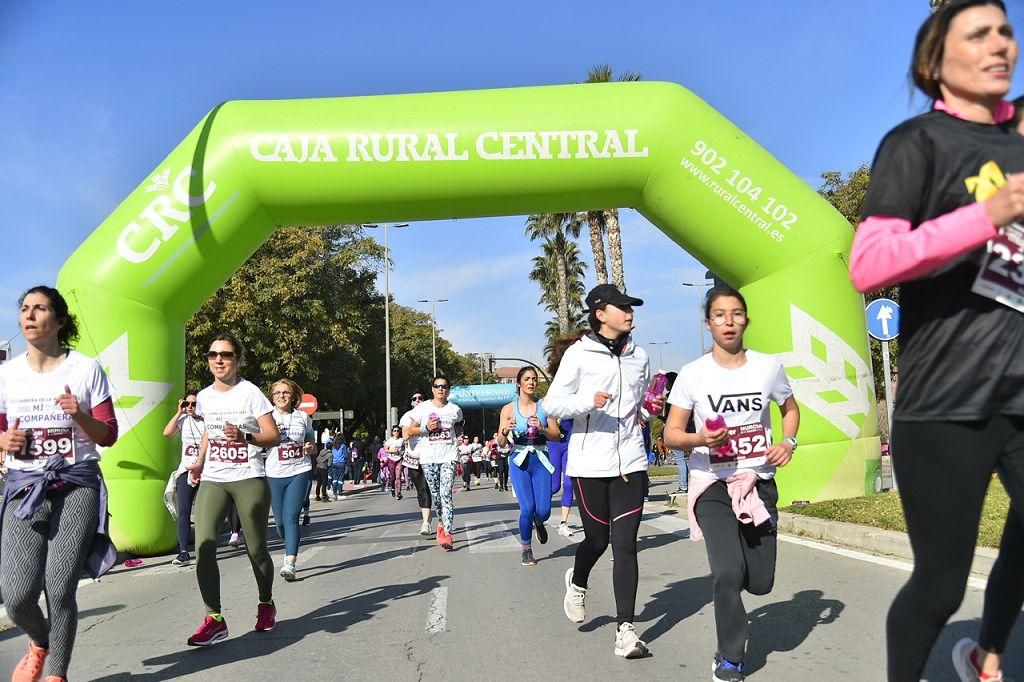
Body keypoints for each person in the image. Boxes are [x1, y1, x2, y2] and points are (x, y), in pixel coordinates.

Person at [848, 3, 1023, 680]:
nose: (1000, 44)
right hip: (945, 401)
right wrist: (987, 214)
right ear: (935, 63)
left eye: (1005, 31)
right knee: (942, 586)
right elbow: (871, 264)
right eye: (978, 34)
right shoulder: (917, 143)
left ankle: (989, 651)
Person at [663, 286, 800, 682]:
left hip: (757, 481)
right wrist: (700, 439)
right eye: (719, 315)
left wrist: (787, 442)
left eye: (736, 313)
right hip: (712, 483)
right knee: (726, 571)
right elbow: (672, 434)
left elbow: (790, 410)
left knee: (760, 581)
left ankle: (738, 596)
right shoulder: (692, 374)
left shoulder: (768, 368)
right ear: (708, 324)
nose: (728, 321)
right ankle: (730, 657)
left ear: (746, 320)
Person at [0, 285, 119, 682]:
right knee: (16, 596)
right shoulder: (7, 374)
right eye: (25, 309)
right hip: (24, 488)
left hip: (76, 485)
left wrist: (80, 415)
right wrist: (3, 442)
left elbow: (108, 434)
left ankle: (56, 674)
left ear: (60, 320)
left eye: (40, 308)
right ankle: (40, 640)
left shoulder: (85, 370)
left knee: (59, 584)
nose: (29, 315)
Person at [545, 284, 659, 659]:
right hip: (590, 463)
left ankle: (625, 630)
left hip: (631, 462)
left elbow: (637, 406)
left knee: (626, 545)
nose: (630, 312)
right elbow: (553, 404)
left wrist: (649, 409)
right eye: (622, 306)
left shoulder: (639, 356)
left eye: (632, 306)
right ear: (600, 313)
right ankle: (577, 582)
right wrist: (586, 403)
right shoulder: (580, 355)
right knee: (598, 541)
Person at [183, 333, 280, 646]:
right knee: (204, 544)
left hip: (248, 476)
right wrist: (199, 462)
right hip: (214, 476)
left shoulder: (250, 393)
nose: (218, 360)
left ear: (238, 360)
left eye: (225, 355)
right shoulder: (205, 396)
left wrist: (244, 438)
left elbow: (272, 435)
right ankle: (214, 618)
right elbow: (209, 434)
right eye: (213, 355)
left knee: (256, 549)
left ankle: (265, 603)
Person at [497, 367, 561, 567]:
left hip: (540, 459)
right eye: (527, 379)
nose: (531, 382)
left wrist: (542, 428)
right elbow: (500, 442)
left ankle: (539, 521)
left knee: (543, 510)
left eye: (534, 379)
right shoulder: (508, 409)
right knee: (527, 508)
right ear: (519, 383)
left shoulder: (544, 406)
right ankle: (526, 549)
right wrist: (505, 430)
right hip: (519, 460)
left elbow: (557, 435)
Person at [264, 379, 316, 582]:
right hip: (274, 473)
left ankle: (290, 562)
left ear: (293, 395)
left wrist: (311, 448)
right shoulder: (267, 417)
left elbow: (313, 442)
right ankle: (290, 545)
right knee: (279, 523)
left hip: (299, 470)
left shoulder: (303, 417)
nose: (281, 396)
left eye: (285, 392)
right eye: (277, 393)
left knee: (291, 516)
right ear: (272, 396)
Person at [404, 374, 463, 551]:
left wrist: (458, 439)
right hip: (429, 458)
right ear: (432, 389)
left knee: (446, 493)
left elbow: (459, 425)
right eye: (437, 386)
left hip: (449, 456)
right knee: (436, 496)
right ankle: (440, 523)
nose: (440, 389)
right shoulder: (422, 408)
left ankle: (448, 532)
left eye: (444, 386)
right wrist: (425, 428)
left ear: (448, 390)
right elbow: (408, 431)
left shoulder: (455, 409)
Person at [545, 331, 588, 538]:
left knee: (569, 483)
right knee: (553, 486)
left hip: (573, 441)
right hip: (555, 442)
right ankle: (539, 514)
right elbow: (549, 410)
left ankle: (563, 522)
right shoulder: (557, 387)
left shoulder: (584, 386)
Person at [162, 388, 205, 566]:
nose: (190, 407)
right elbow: (167, 432)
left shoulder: (207, 422)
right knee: (184, 511)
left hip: (206, 470)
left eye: (194, 404)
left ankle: (205, 549)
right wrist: (179, 411)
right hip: (185, 469)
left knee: (204, 512)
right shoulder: (183, 420)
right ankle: (183, 552)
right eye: (187, 404)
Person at [399, 391, 434, 535]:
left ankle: (437, 520)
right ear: (411, 402)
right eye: (415, 398)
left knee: (434, 489)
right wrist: (422, 427)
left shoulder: (432, 414)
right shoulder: (407, 416)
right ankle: (426, 522)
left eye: (421, 398)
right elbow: (405, 435)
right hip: (414, 459)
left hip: (432, 456)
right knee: (422, 489)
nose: (418, 400)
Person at [384, 426, 404, 499]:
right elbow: (385, 449)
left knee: (398, 476)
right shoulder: (389, 440)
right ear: (392, 432)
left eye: (398, 431)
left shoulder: (402, 440)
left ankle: (399, 492)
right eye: (395, 431)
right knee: (393, 477)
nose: (396, 432)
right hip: (391, 460)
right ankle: (392, 488)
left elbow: (405, 448)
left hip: (399, 459)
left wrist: (402, 452)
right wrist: (393, 451)